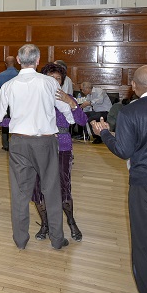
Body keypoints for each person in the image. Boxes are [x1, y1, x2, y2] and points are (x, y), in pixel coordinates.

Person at [0, 44, 74, 250]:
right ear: (38, 60)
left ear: (18, 59)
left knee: (19, 192)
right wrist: (70, 120)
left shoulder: (9, 85)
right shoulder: (49, 83)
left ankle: (20, 240)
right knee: (51, 190)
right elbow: (64, 106)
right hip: (45, 141)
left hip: (18, 142)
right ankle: (57, 239)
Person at [91, 65, 147, 293]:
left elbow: (124, 150)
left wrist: (103, 133)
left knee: (144, 247)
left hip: (145, 186)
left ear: (134, 87)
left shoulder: (130, 113)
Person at [27, 63, 88, 242]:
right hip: (38, 146)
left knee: (63, 187)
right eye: (50, 78)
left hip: (62, 147)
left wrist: (72, 104)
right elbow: (20, 119)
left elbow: (83, 122)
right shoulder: (35, 98)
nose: (54, 82)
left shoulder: (68, 98)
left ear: (62, 82)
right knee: (37, 188)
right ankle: (45, 224)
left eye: (58, 79)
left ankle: (71, 222)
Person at [0, 56, 19, 150]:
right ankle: (15, 143)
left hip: (5, 102)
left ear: (5, 64)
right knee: (16, 121)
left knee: (5, 123)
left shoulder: (1, 75)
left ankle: (5, 144)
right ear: (15, 63)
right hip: (17, 102)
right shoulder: (19, 74)